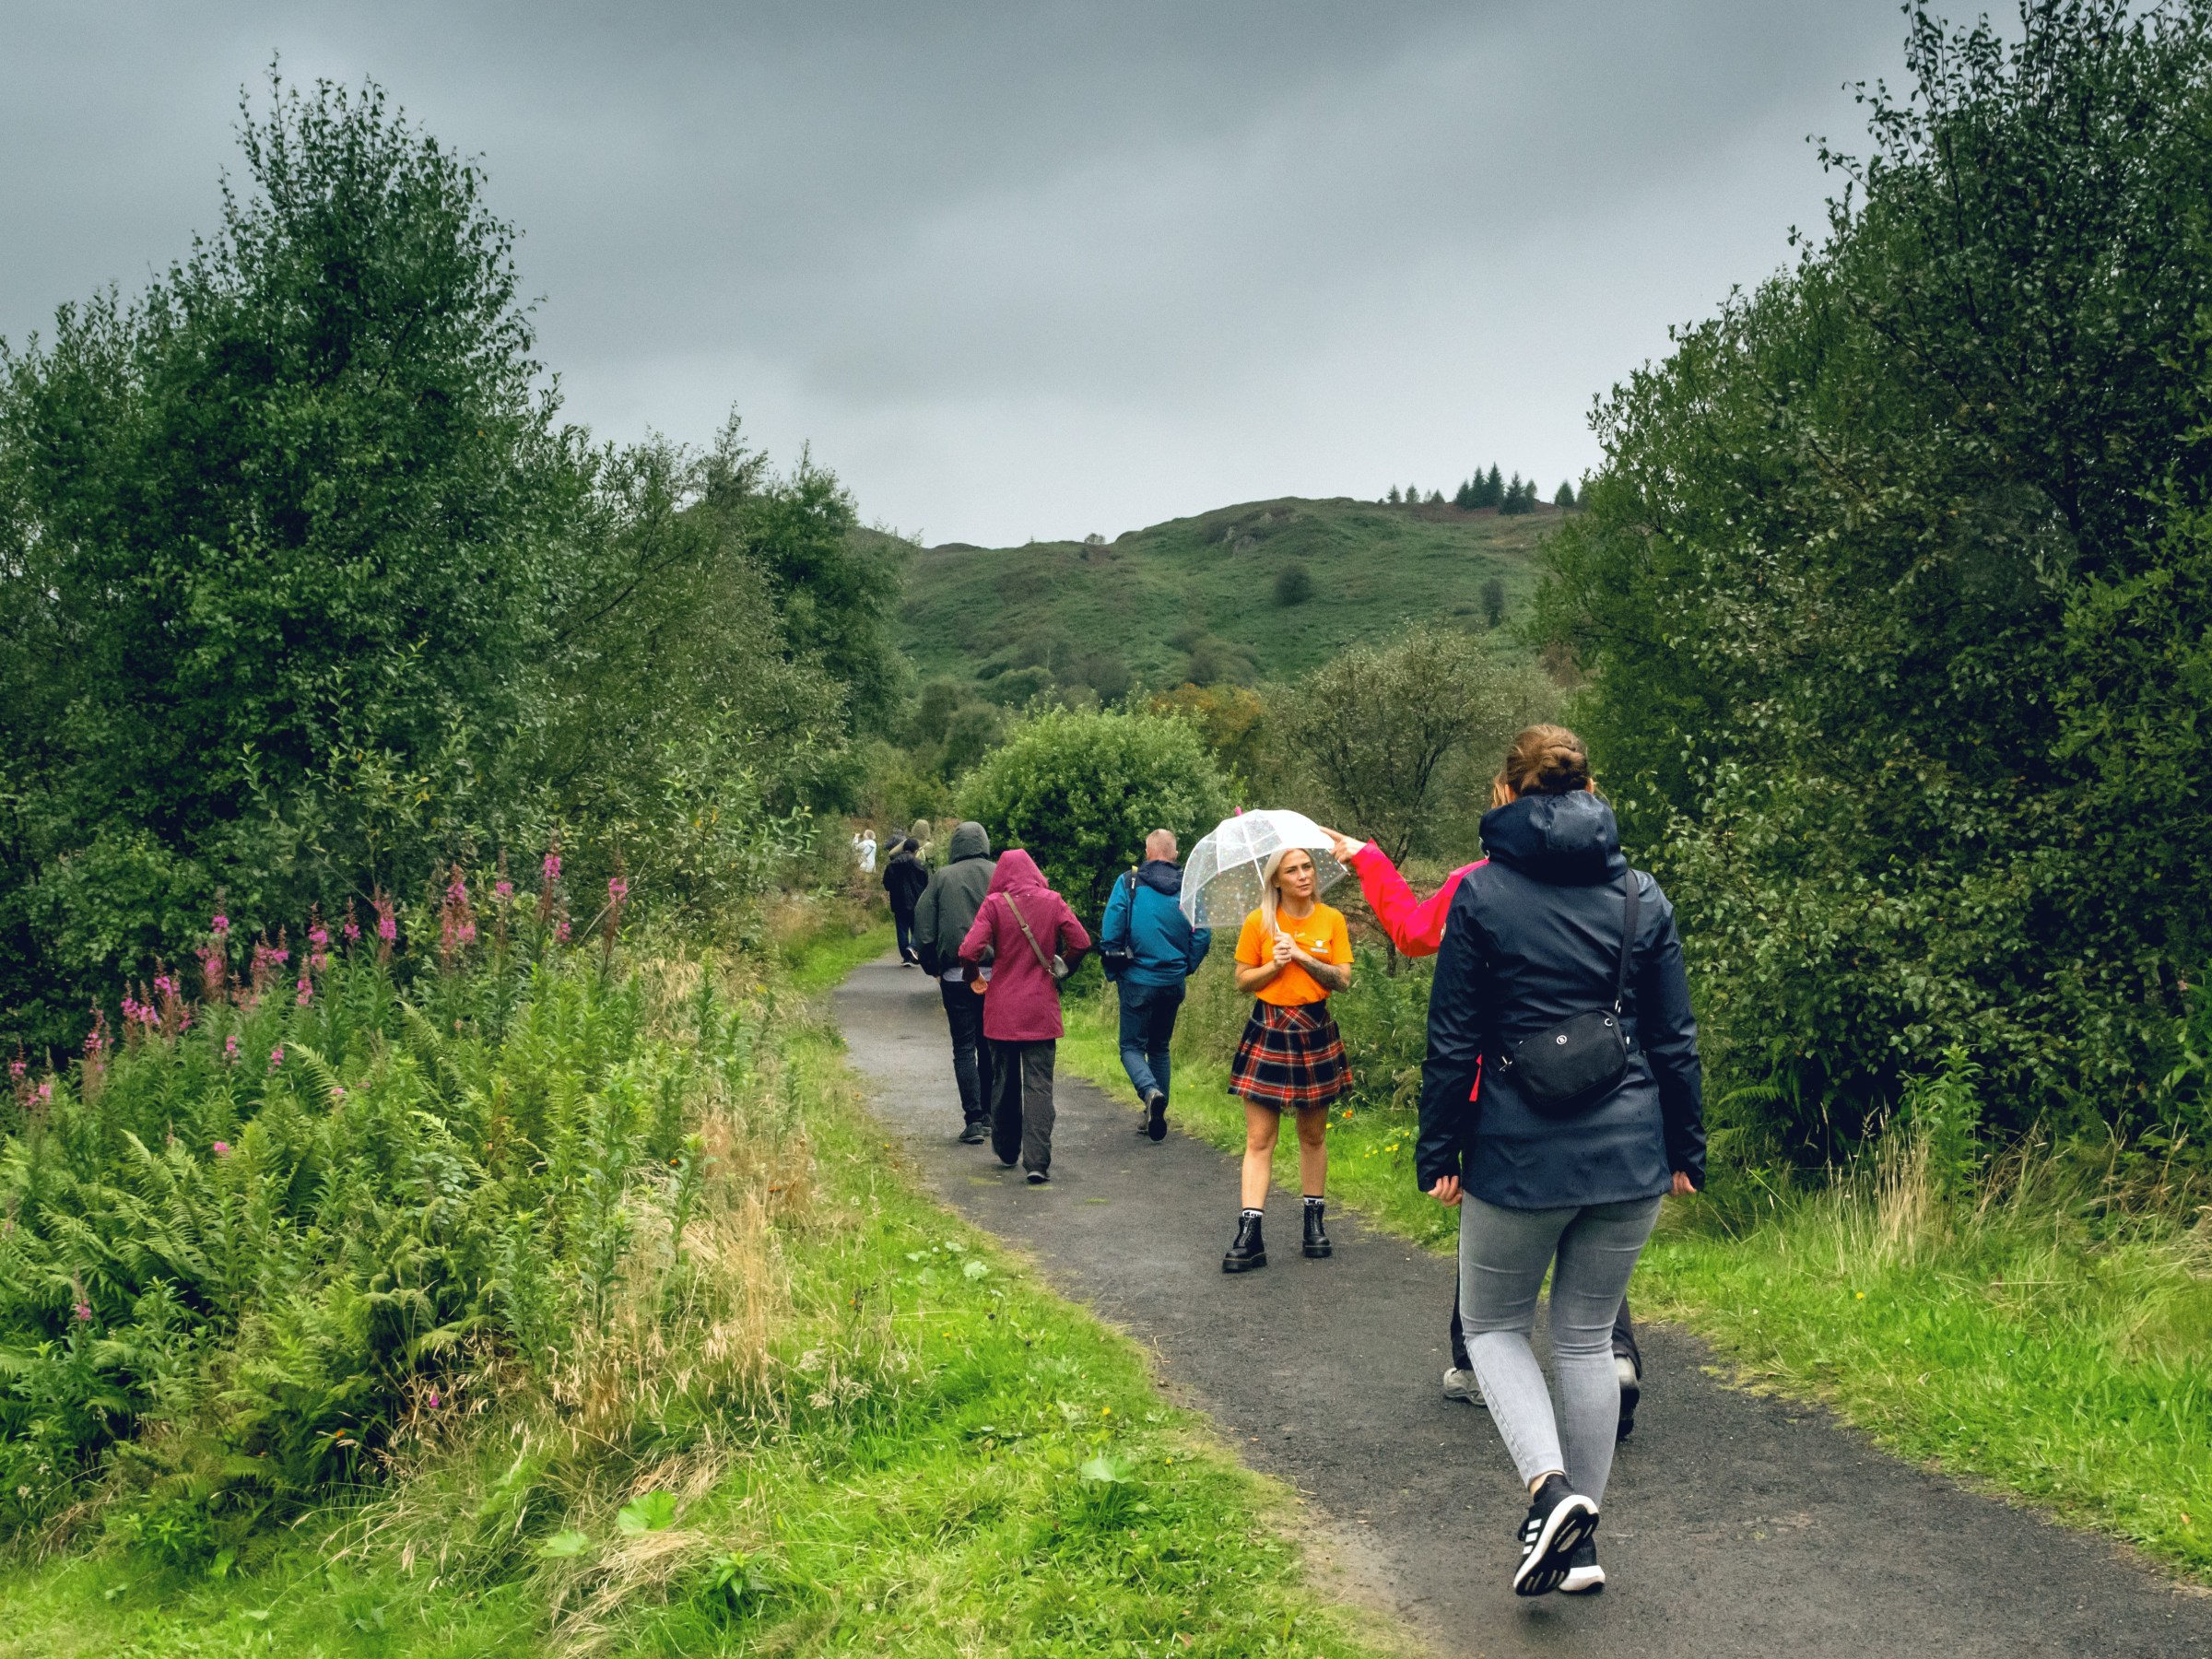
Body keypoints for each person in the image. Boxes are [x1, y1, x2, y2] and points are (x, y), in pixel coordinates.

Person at [1415, 724, 1702, 1598]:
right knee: (1584, 1337)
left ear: (1507, 793)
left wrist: (1440, 1151)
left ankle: (1550, 1494)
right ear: (1588, 792)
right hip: (1631, 1151)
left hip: (1519, 1151)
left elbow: (1453, 1041)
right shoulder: (1639, 895)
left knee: (1494, 1327)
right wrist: (1685, 1147)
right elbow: (1674, 1039)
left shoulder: (1484, 896)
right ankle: (1577, 1545)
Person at [1324, 825, 1648, 1436]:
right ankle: (1617, 1354)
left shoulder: (1477, 885)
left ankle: (1474, 1364)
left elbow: (1413, 933)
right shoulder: (1617, 885)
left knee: (1491, 1231)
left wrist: (1367, 858)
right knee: (1592, 1218)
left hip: (1501, 1087)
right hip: (1601, 1077)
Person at [1221, 845, 1353, 1272]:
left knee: (1313, 1136)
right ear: (1276, 879)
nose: (1303, 875)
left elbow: (1342, 980)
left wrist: (1300, 956)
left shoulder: (1330, 919)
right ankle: (1250, 1233)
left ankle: (1314, 1225)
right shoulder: (1258, 922)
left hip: (1314, 1031)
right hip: (1268, 1031)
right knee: (1260, 1140)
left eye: (1307, 867)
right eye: (1292, 870)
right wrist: (1273, 967)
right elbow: (1243, 981)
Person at [958, 850, 1092, 1183]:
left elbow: (968, 950)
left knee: (1003, 1082)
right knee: (1039, 1086)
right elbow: (1082, 941)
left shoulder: (994, 904)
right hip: (1040, 1007)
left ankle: (1005, 1149)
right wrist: (1062, 966)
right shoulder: (1053, 901)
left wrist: (972, 975)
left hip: (1002, 1008)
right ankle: (1037, 1162)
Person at [1100, 829, 1212, 1141]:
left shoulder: (1129, 882)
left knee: (1130, 1047)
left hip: (1137, 979)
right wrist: (1185, 966)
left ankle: (1150, 1093)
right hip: (1173, 981)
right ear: (1175, 854)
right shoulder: (1190, 887)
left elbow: (1111, 930)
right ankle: (1153, 1113)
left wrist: (1115, 968)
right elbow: (1202, 935)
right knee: (1159, 1047)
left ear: (1147, 852)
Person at [912, 821, 997, 1143]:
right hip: (995, 974)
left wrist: (931, 963)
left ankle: (973, 1120)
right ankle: (989, 1114)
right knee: (989, 1046)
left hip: (956, 974)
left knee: (963, 1045)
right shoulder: (998, 873)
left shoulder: (942, 877)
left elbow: (923, 922)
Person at [881, 838, 931, 966]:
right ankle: (913, 947)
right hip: (916, 901)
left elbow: (887, 884)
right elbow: (926, 884)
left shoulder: (892, 865)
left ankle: (906, 957)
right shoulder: (919, 864)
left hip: (898, 901)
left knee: (902, 929)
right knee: (917, 928)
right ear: (916, 850)